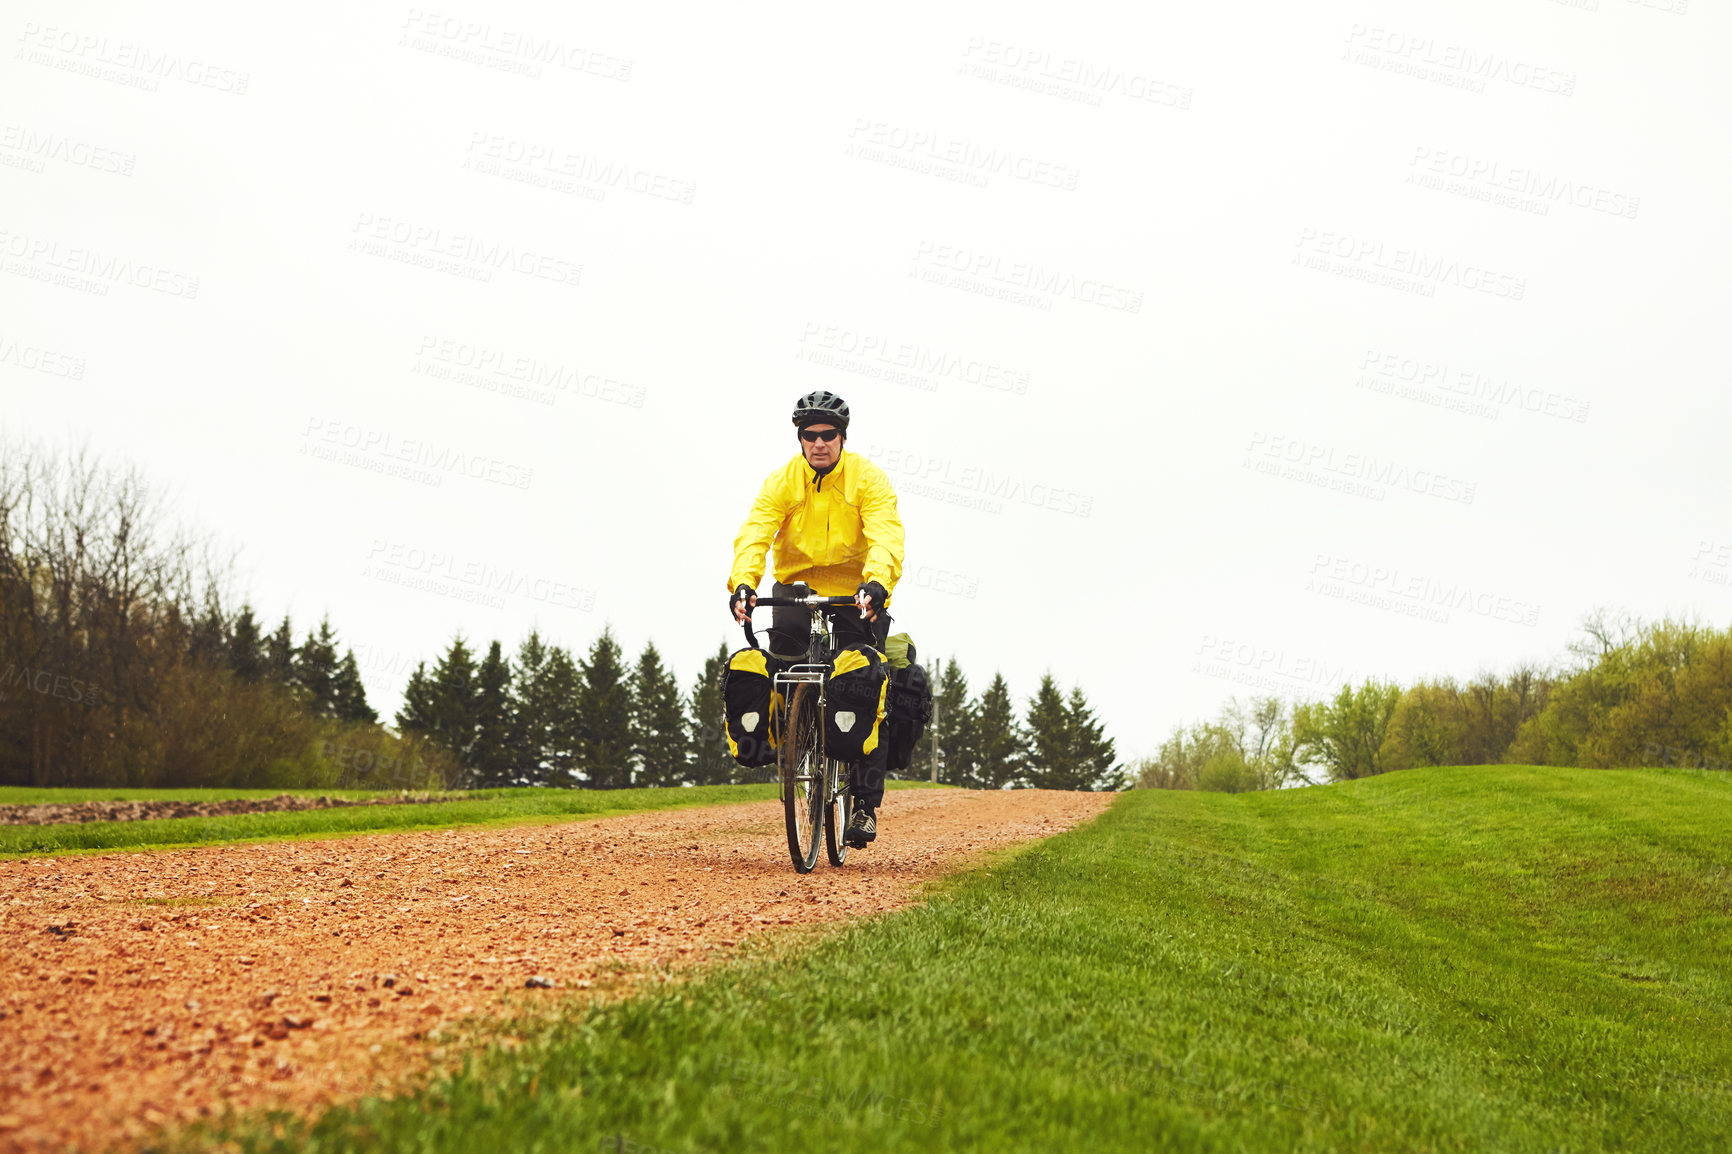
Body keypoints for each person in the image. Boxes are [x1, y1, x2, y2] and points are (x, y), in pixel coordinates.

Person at [728, 390, 905, 847]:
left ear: (842, 437)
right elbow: (754, 533)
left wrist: (876, 584)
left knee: (865, 680)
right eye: (810, 436)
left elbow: (886, 535)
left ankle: (864, 804)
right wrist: (743, 584)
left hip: (854, 592)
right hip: (796, 589)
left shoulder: (868, 480)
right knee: (779, 662)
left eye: (828, 435)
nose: (819, 443)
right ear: (800, 440)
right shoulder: (782, 482)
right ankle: (794, 734)